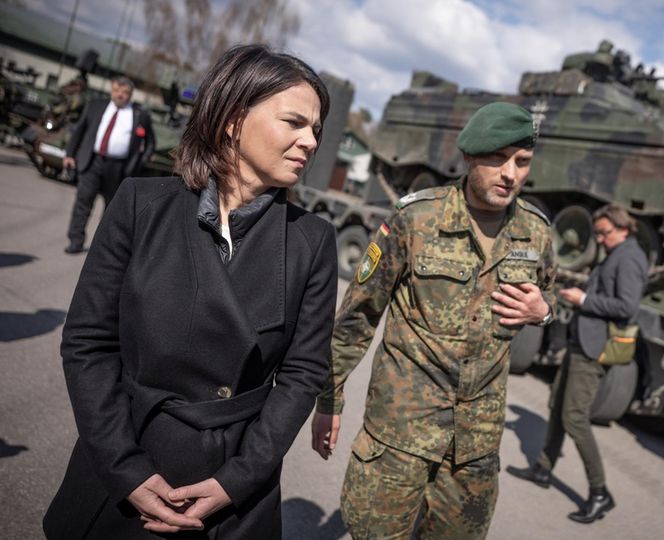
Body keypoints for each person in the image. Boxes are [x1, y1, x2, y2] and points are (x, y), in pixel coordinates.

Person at [43, 44, 336, 539]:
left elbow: (303, 374)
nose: (310, 142)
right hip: (127, 462)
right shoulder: (140, 205)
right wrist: (125, 468)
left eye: (316, 130)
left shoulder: (313, 240)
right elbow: (88, 344)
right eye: (294, 123)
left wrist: (236, 480)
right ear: (232, 120)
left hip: (230, 487)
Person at [312, 101, 557, 538]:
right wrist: (329, 399)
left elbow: (550, 291)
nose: (510, 174)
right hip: (399, 434)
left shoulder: (536, 232)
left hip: (475, 448)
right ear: (468, 158)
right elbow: (357, 317)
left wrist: (545, 310)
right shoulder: (416, 218)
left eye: (522, 162)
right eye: (497, 159)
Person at [510, 203, 648, 524]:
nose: (599, 239)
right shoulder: (617, 253)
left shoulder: (629, 257)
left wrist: (583, 299)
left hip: (594, 349)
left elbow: (627, 307)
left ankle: (600, 493)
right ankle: (543, 469)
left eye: (604, 233)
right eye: (597, 233)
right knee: (558, 404)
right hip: (582, 342)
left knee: (574, 418)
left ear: (623, 228)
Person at [63, 75, 155, 254]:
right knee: (83, 202)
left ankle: (101, 247)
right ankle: (75, 240)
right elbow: (79, 131)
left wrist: (141, 161)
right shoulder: (95, 106)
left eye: (124, 92)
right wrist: (69, 154)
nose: (120, 95)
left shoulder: (140, 114)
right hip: (93, 162)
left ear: (131, 94)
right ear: (111, 90)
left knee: (111, 210)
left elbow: (151, 142)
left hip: (119, 168)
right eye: (116, 90)